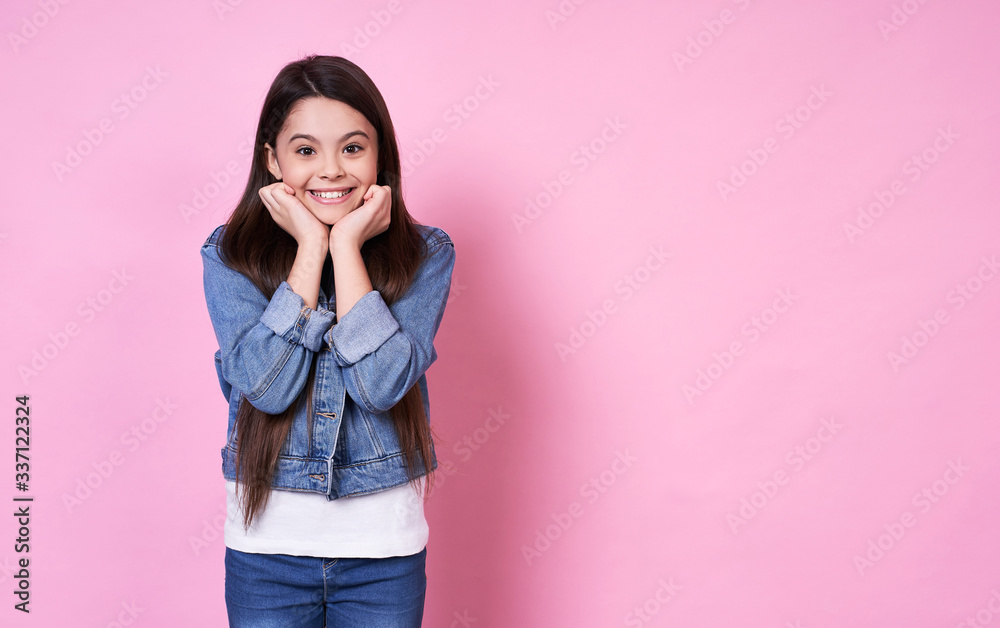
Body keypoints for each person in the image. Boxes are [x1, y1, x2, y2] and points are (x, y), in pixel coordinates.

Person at [200, 54, 455, 627]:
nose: (332, 170)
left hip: (383, 553)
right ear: (273, 160)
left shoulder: (426, 255)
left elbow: (380, 385)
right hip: (266, 552)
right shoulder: (229, 255)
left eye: (353, 148)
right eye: (306, 150)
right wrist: (311, 249)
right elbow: (267, 388)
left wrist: (345, 247)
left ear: (380, 154)